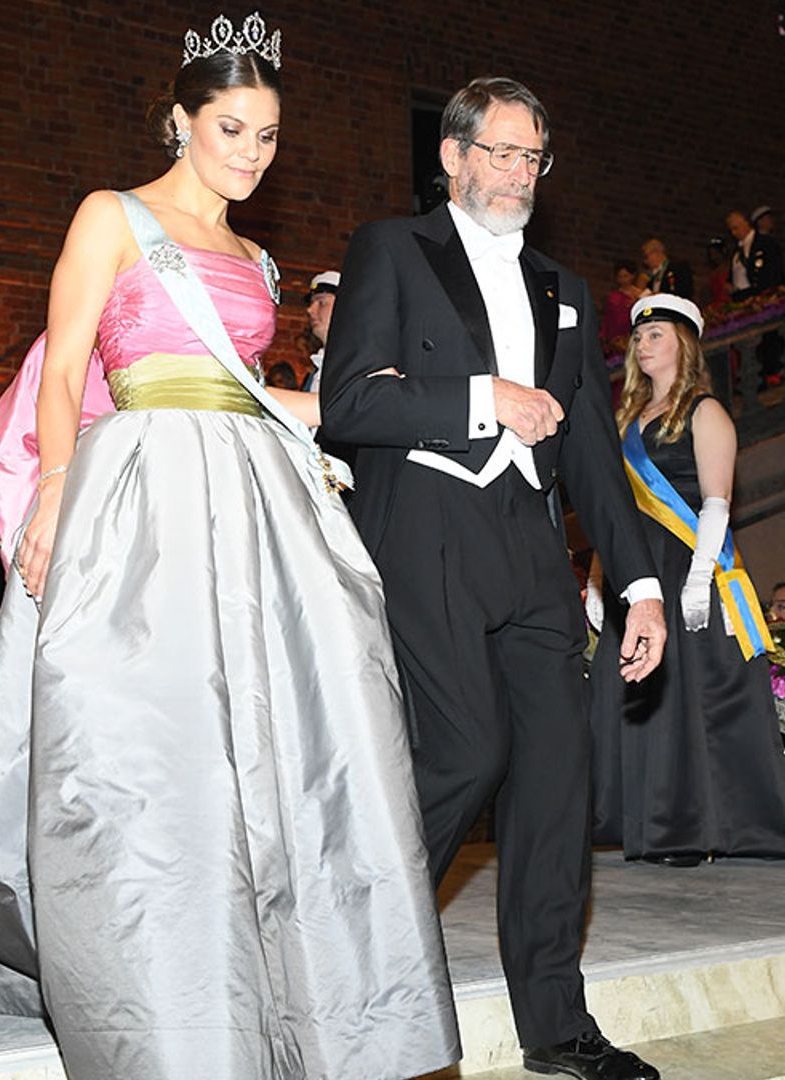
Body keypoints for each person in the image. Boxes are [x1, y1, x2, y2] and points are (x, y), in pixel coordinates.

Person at [0, 19, 460, 1078]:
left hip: (251, 499)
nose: (251, 152)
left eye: (269, 135)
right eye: (232, 128)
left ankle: (290, 979)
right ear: (184, 119)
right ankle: (151, 987)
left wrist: (413, 417)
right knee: (144, 742)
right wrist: (55, 492)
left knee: (292, 733)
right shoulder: (112, 216)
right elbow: (66, 371)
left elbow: (261, 397)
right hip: (140, 488)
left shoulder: (259, 256)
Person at [319, 76, 668, 1080]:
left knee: (559, 778)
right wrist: (485, 399)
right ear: (453, 156)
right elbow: (348, 403)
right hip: (427, 529)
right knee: (466, 751)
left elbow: (595, 454)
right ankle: (352, 964)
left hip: (530, 548)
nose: (518, 172)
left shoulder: (567, 288)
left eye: (532, 157)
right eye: (502, 152)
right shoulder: (394, 248)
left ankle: (558, 1027)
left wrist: (638, 585)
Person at [588, 294, 785, 865]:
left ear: (685, 343)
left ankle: (691, 826)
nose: (642, 345)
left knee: (689, 695)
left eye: (656, 336)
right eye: (637, 338)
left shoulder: (704, 410)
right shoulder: (625, 420)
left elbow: (718, 503)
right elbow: (613, 512)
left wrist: (700, 578)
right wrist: (601, 579)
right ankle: (640, 819)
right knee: (637, 694)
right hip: (637, 570)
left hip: (688, 564)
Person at [301, 268, 338, 390]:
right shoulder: (318, 367)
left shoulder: (356, 365)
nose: (310, 310)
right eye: (311, 303)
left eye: (321, 303)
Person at [601, 259, 645, 342]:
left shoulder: (641, 294)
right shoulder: (614, 297)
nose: (623, 280)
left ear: (633, 276)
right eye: (620, 277)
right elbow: (609, 319)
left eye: (625, 276)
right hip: (616, 336)